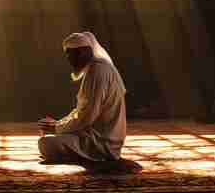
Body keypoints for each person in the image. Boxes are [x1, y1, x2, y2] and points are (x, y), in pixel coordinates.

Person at [38, 32, 141, 173]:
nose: (68, 59)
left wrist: (56, 129)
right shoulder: (96, 69)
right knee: (48, 136)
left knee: (46, 143)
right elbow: (82, 110)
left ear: (83, 52)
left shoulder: (97, 71)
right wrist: (58, 124)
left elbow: (87, 116)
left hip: (101, 143)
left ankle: (100, 159)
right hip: (95, 136)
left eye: (70, 54)